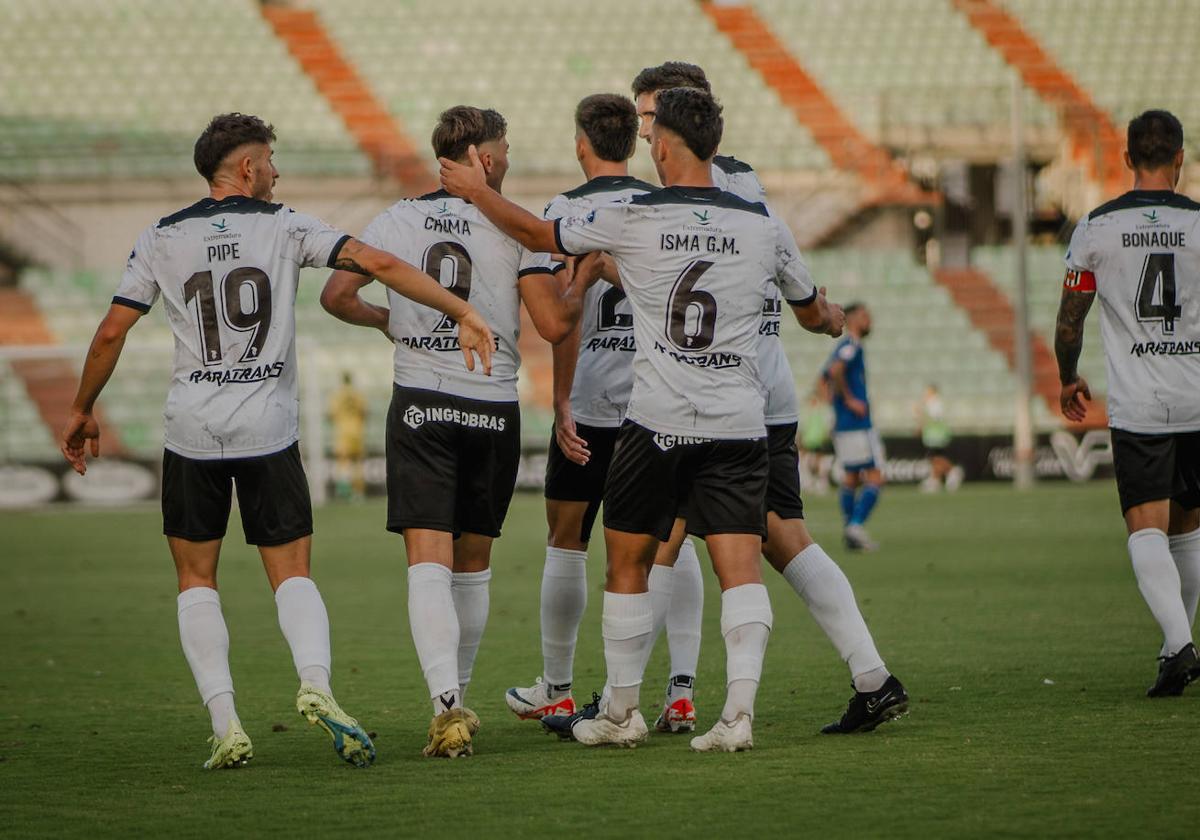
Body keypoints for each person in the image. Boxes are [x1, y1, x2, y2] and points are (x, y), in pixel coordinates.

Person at [59, 112, 495, 770]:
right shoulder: (287, 225)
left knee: (195, 579)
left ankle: (226, 722)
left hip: (192, 431)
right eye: (270, 158)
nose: (277, 170)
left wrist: (82, 408)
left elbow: (111, 333)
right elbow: (373, 262)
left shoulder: (160, 237)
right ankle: (317, 683)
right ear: (245, 169)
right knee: (292, 574)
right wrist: (461, 310)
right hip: (268, 428)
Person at [440, 86, 845, 752]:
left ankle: (620, 712)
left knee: (625, 562)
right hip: (739, 424)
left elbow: (541, 237)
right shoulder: (760, 223)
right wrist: (829, 319)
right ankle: (735, 716)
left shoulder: (633, 216)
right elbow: (809, 312)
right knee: (738, 568)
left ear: (662, 147)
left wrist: (477, 192)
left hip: (654, 423)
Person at [619, 62, 906, 735]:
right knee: (778, 539)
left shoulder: (685, 194)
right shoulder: (748, 185)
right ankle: (871, 676)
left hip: (713, 395)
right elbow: (791, 280)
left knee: (659, 541)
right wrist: (825, 313)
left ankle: (624, 703)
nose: (644, 134)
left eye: (648, 119)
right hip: (758, 391)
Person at [321, 106, 597, 757]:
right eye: (502, 148)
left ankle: (446, 705)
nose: (508, 158)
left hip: (421, 403)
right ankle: (458, 701)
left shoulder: (398, 218)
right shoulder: (515, 230)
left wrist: (389, 322)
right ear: (483, 157)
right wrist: (583, 278)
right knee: (473, 564)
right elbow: (554, 327)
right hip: (490, 405)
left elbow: (335, 296)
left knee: (427, 560)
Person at [504, 94, 658, 724]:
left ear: (581, 143)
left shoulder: (563, 214)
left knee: (567, 541)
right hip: (657, 409)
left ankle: (559, 686)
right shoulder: (661, 207)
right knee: (657, 552)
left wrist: (561, 399)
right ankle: (675, 690)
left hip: (591, 404)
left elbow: (558, 321)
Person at [1055, 108, 1200, 696]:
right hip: (1197, 396)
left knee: (1146, 527)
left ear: (1127, 159)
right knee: (1188, 527)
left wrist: (1069, 375)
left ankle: (1181, 645)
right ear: (1181, 159)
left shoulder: (1095, 227)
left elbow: (1070, 321)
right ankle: (1174, 650)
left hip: (1141, 401)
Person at [826, 303, 885, 551]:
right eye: (864, 316)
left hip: (844, 424)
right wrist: (850, 400)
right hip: (858, 424)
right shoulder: (851, 345)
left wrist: (834, 400)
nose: (869, 319)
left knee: (851, 478)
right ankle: (856, 525)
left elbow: (826, 376)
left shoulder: (844, 347)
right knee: (876, 476)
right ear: (851, 319)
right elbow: (835, 370)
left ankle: (851, 531)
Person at [329, 371, 368, 500]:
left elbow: (331, 414)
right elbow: (364, 412)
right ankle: (358, 493)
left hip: (343, 431)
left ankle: (344, 492)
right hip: (357, 430)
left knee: (343, 461)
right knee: (357, 462)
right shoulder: (357, 394)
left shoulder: (338, 395)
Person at [917, 383, 961, 492]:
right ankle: (935, 479)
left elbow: (934, 418)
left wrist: (921, 415)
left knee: (937, 457)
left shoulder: (935, 403)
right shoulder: (930, 403)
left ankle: (952, 472)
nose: (926, 394)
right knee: (934, 458)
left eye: (928, 392)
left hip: (937, 435)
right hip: (932, 435)